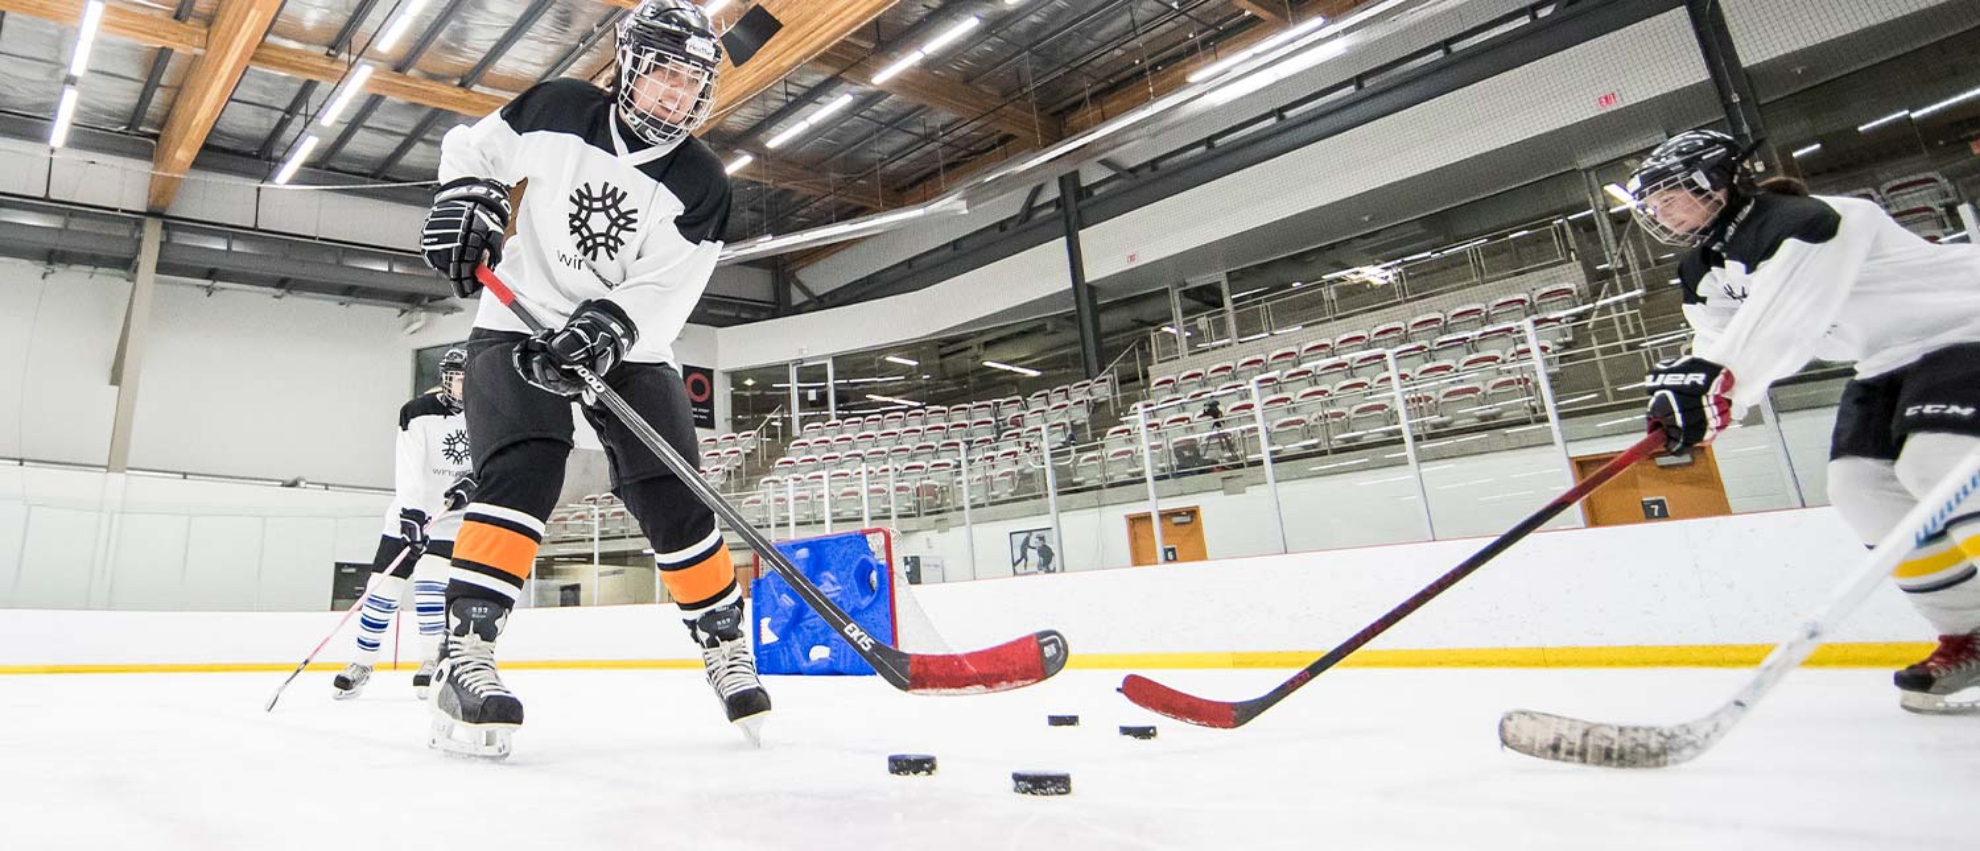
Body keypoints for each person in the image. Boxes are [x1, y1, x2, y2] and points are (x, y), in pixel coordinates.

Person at [417, 0, 768, 758]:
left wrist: (610, 326)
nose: (676, 94)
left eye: (692, 81)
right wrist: (462, 196)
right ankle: (466, 652)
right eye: (665, 73)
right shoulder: (558, 107)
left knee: (674, 491)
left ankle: (723, 643)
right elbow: (469, 147)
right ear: (630, 66)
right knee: (521, 468)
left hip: (631, 338)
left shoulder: (704, 182)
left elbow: (667, 292)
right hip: (521, 315)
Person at [1624, 129, 1980, 714]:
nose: (1658, 210)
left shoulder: (1816, 219)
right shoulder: (1701, 269)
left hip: (1962, 331)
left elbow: (1787, 321)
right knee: (1859, 488)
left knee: (1936, 462)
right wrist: (1701, 410)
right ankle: (1968, 632)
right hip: (1882, 362)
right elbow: (1716, 343)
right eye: (1653, 202)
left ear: (1716, 183)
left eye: (1669, 194)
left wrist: (1718, 383)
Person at [333, 348, 474, 701]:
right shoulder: (416, 413)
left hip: (449, 520)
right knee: (381, 590)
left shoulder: (488, 416)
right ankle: (362, 663)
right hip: (409, 516)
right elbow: (409, 467)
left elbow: (493, 464)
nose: (464, 386)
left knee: (430, 584)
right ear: (446, 378)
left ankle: (429, 662)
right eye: (459, 378)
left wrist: (473, 484)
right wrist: (411, 512)